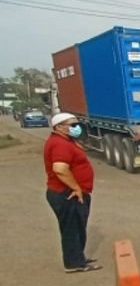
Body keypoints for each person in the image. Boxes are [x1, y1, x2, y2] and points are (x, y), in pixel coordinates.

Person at [44, 113, 102, 273]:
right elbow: (60, 169)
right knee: (72, 229)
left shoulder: (65, 141)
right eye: (72, 125)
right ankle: (74, 263)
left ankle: (78, 257)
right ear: (59, 127)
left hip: (72, 192)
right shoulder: (59, 144)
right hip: (67, 193)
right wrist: (76, 187)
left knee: (77, 226)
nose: (77, 128)